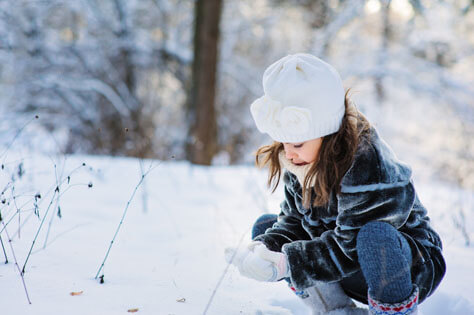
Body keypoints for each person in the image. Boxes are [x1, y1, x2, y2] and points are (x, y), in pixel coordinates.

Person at [225, 53, 446, 315]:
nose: (289, 153)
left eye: (297, 143)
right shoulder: (302, 161)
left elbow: (351, 246)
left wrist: (289, 264)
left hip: (403, 266)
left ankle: (393, 312)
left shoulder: (368, 162)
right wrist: (264, 250)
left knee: (373, 237)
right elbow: (294, 222)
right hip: (344, 266)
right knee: (266, 226)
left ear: (328, 134)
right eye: (283, 142)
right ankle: (335, 309)